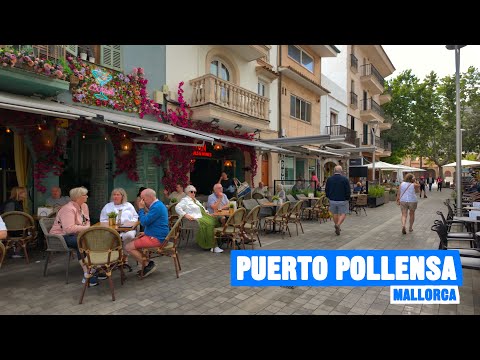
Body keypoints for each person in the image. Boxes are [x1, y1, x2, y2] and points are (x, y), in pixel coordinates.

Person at [49, 186, 100, 286]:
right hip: (60, 237)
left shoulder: (84, 206)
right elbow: (68, 229)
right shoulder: (68, 209)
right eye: (85, 195)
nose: (87, 196)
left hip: (76, 234)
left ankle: (96, 267)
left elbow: (87, 222)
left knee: (94, 240)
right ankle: (87, 273)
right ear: (78, 197)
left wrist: (85, 228)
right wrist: (86, 229)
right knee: (81, 242)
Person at [125, 188, 169, 278]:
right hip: (156, 235)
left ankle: (148, 264)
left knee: (128, 247)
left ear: (150, 197)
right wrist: (145, 233)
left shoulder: (156, 207)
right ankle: (147, 264)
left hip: (157, 238)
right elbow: (153, 223)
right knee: (133, 240)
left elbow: (144, 222)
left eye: (143, 198)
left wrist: (141, 209)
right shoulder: (158, 205)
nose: (141, 201)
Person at [175, 185, 223, 253]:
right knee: (210, 224)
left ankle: (218, 241)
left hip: (203, 216)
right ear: (187, 192)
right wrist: (185, 215)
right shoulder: (185, 200)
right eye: (191, 192)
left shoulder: (195, 200)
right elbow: (177, 207)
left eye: (194, 192)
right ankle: (212, 246)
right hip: (196, 218)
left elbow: (202, 208)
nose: (193, 193)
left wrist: (208, 213)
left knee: (216, 220)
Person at [99, 188, 139, 269]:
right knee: (106, 237)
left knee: (129, 236)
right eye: (114, 195)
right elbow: (102, 220)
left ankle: (125, 256)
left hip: (127, 229)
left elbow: (135, 217)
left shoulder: (128, 205)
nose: (115, 196)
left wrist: (130, 224)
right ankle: (113, 258)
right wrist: (111, 224)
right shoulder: (108, 206)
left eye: (118, 195)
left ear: (122, 196)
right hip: (112, 230)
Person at [325, 165, 351, 236]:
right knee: (343, 213)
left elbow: (326, 189)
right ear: (341, 171)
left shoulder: (329, 179)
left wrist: (328, 196)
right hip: (342, 200)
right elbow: (348, 190)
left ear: (334, 171)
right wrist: (347, 198)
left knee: (335, 213)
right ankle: (338, 224)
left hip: (332, 199)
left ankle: (337, 225)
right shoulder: (345, 179)